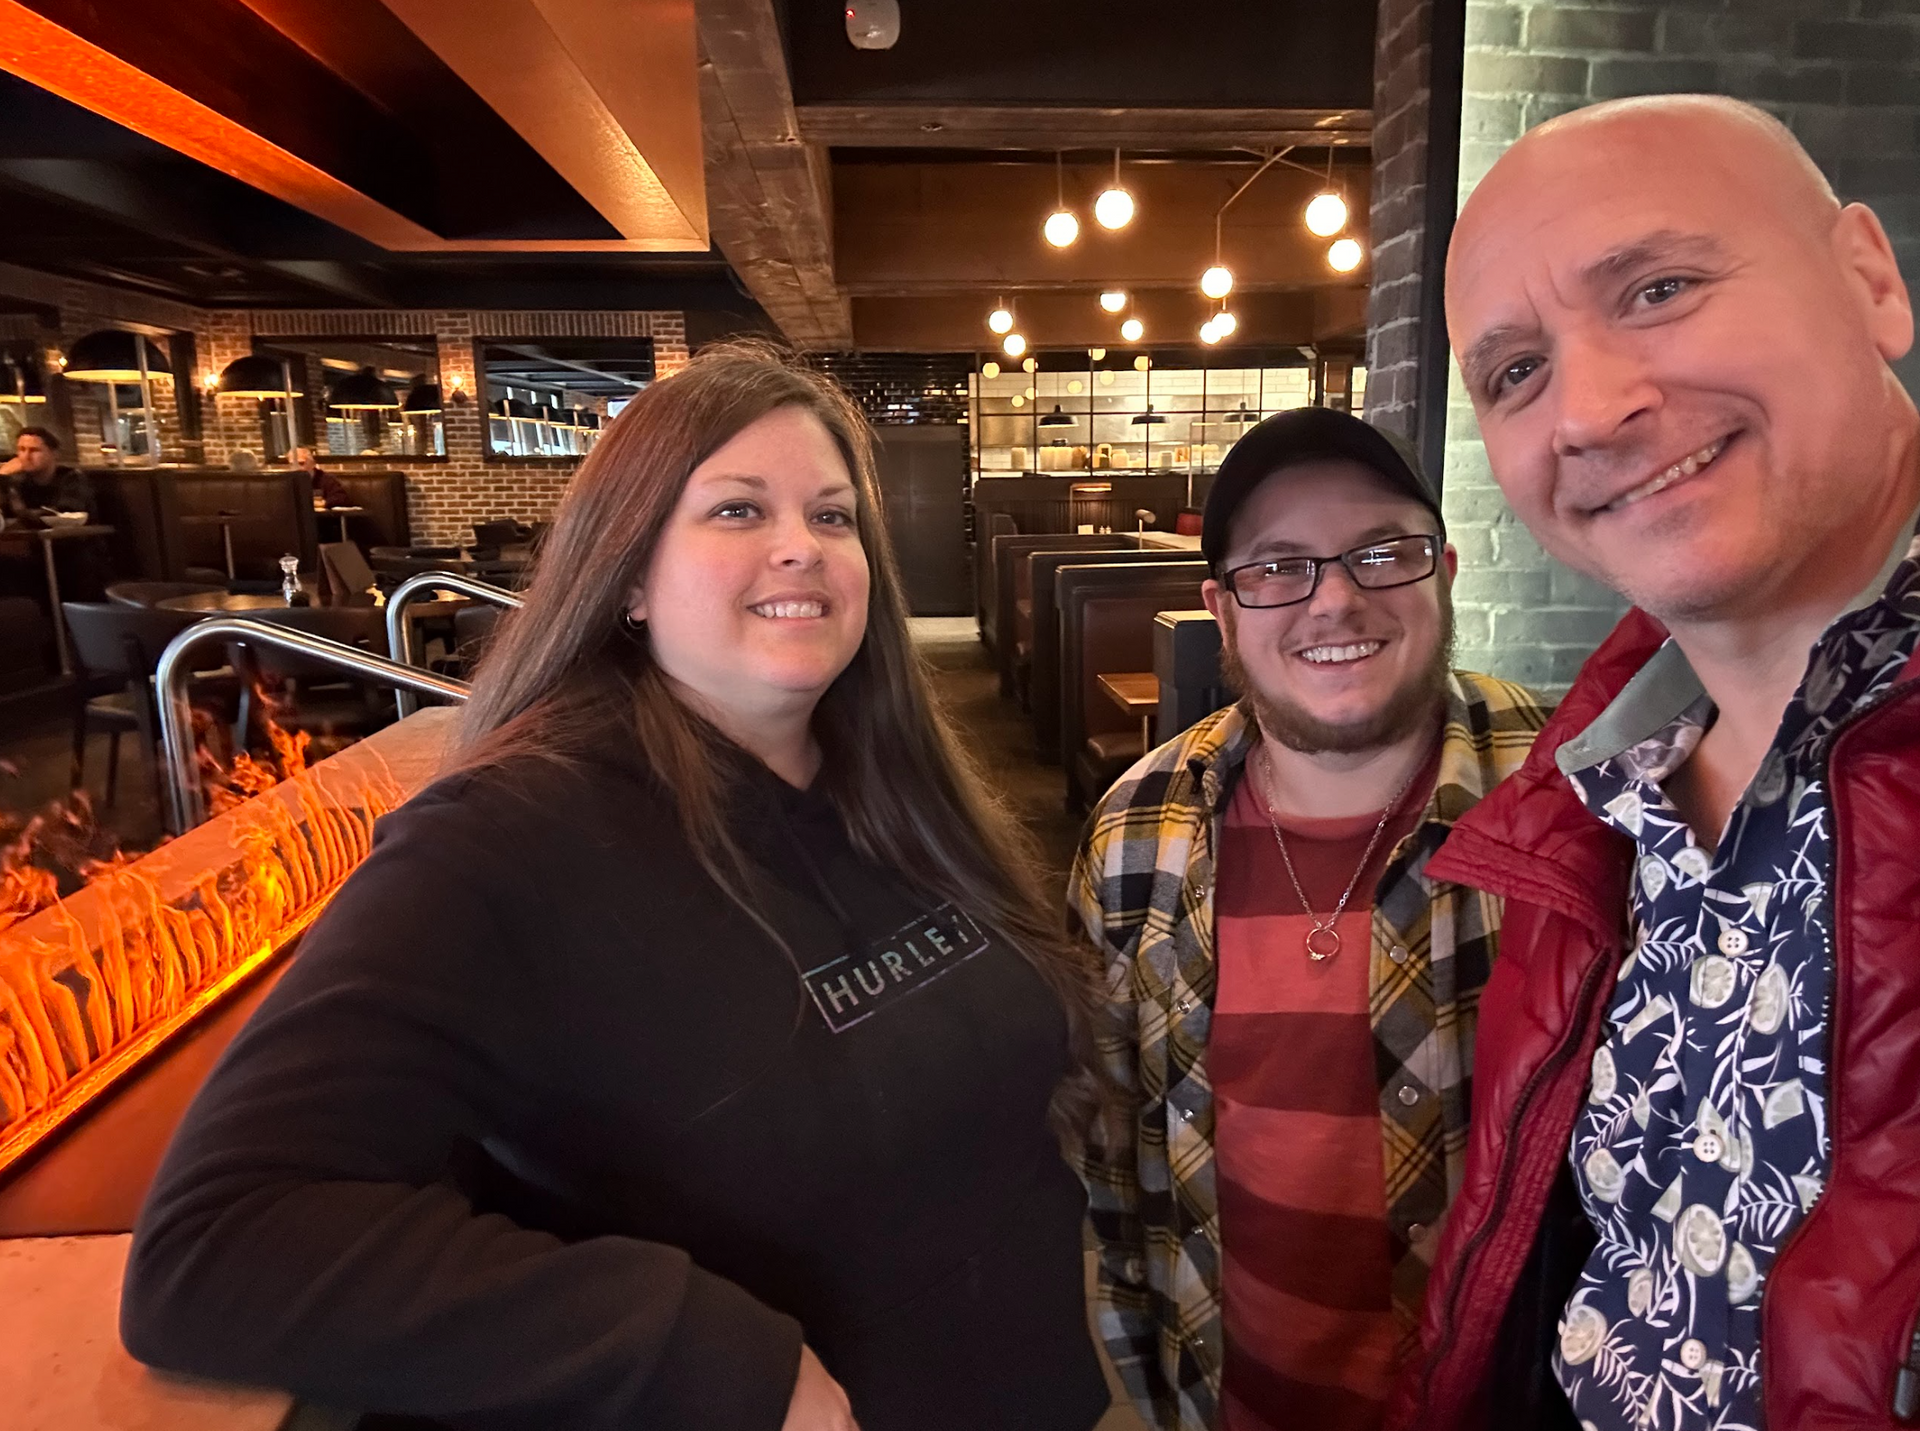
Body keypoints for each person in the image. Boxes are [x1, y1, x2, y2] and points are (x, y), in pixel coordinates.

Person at [122, 342, 1112, 1431]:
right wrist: (702, 1352)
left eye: (833, 518)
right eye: (739, 511)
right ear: (629, 573)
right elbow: (218, 1240)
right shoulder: (507, 837)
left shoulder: (900, 785)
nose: (802, 549)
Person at [1399, 95, 1920, 1431]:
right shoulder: (1596, 794)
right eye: (1515, 371)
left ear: (1871, 282)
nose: (1592, 407)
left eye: (1660, 287)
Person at [1072, 407, 1553, 1431]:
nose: (1334, 599)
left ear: (1446, 571)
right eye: (1278, 567)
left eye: (1382, 553)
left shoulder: (1574, 796)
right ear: (1222, 606)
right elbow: (1122, 1156)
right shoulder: (1136, 830)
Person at [0, 426, 90, 520]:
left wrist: (23, 514)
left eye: (34, 450)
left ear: (54, 453)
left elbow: (64, 515)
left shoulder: (72, 478)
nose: (26, 457)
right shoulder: (17, 480)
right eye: (22, 449)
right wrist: (2, 475)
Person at [293, 443, 351, 508]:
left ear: (312, 463)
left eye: (301, 463)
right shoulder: (288, 482)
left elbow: (342, 498)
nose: (297, 468)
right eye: (293, 464)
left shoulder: (326, 479)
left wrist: (323, 503)